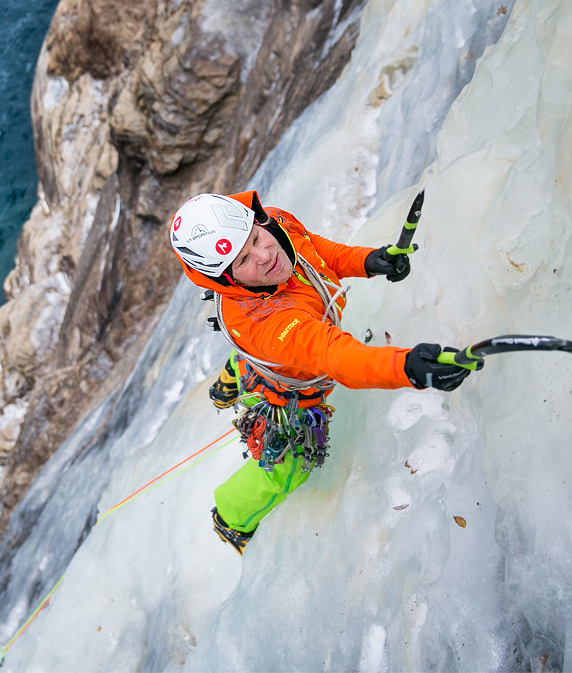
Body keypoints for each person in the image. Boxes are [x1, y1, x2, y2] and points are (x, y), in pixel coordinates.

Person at [169, 191, 482, 554]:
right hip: (284, 385)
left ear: (258, 220)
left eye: (255, 238)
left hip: (269, 352)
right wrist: (406, 367)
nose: (266, 256)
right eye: (243, 261)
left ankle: (232, 378)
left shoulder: (276, 224)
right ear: (227, 281)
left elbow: (314, 252)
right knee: (287, 468)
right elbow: (332, 354)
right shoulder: (267, 325)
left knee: (261, 356)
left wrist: (369, 261)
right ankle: (231, 516)